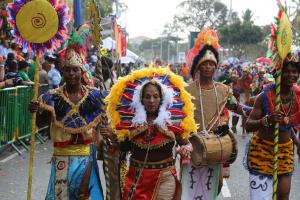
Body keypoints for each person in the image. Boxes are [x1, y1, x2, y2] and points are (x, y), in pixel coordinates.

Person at [29, 37, 105, 200]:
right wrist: (36, 111)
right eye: (68, 69)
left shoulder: (94, 96)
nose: (71, 74)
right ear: (62, 71)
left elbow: (105, 123)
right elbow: (41, 124)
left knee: (85, 196)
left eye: (75, 69)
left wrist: (106, 141)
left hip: (85, 158)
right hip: (61, 158)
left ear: (81, 71)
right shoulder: (51, 97)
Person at [105, 67, 197, 200]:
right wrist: (113, 138)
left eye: (155, 96)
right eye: (147, 97)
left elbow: (188, 144)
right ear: (141, 99)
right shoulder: (130, 123)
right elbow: (123, 149)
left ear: (161, 98)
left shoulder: (172, 121)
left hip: (164, 177)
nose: (152, 101)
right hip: (136, 178)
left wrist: (186, 149)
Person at [181, 28, 251, 200]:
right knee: (189, 187)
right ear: (198, 65)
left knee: (214, 185)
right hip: (192, 144)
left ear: (216, 66)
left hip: (215, 145)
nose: (208, 67)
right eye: (204, 63)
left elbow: (236, 107)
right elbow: (177, 114)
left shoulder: (223, 90)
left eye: (211, 64)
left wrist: (250, 112)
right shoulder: (186, 90)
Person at [245, 54, 300, 200]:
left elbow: (287, 126)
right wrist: (267, 120)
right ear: (278, 73)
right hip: (262, 152)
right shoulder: (264, 96)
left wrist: (297, 142)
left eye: (295, 71)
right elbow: (248, 125)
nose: (291, 75)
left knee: (283, 195)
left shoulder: (297, 95)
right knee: (261, 198)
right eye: (287, 71)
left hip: (285, 152)